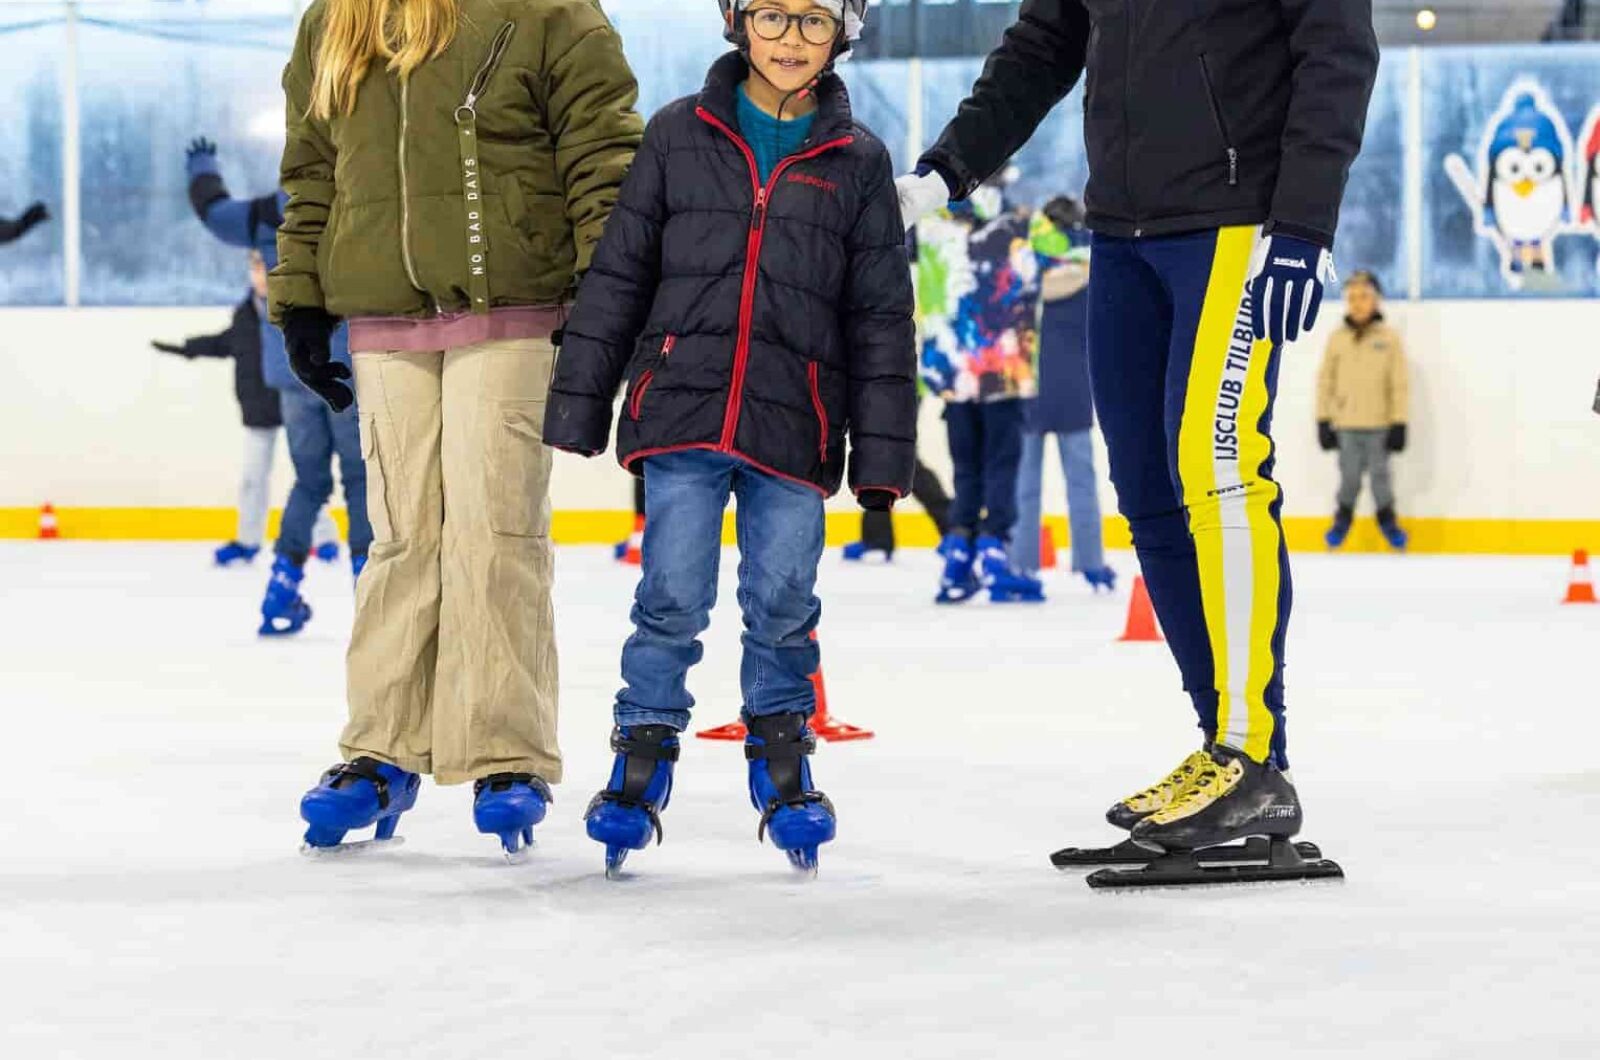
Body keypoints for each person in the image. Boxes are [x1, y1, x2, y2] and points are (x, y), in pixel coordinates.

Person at [896, 0, 1378, 876]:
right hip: (1123, 233)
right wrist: (943, 174)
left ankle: (1250, 749)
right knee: (1150, 492)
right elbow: (1042, 46)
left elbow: (1336, 50)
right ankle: (1221, 751)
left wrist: (1305, 221)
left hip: (1237, 225)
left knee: (1219, 466)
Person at [543, 0, 915, 877]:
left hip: (798, 418)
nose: (792, 40)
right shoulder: (679, 133)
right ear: (739, 23)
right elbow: (621, 270)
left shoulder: (857, 160)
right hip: (683, 409)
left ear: (843, 36)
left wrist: (884, 455)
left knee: (784, 602)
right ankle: (641, 753)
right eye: (775, 16)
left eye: (816, 21)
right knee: (671, 595)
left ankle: (783, 760)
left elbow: (881, 318)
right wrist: (579, 403)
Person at [275, 0, 642, 858]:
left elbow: (603, 155)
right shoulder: (336, 18)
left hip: (513, 307)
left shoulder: (551, 11)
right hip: (382, 316)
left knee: (494, 530)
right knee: (400, 538)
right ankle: (380, 750)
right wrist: (298, 297)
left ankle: (506, 751)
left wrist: (605, 295)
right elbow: (312, 167)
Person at [184, 139, 370, 633]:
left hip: (290, 375)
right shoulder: (355, 202)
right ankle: (367, 592)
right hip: (346, 371)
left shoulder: (270, 212)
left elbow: (213, 211)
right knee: (360, 482)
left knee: (309, 483)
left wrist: (202, 164)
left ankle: (281, 589)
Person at [150, 249, 340, 567]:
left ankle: (323, 538)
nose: (260, 274)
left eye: (265, 266)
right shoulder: (244, 314)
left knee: (307, 475)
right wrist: (188, 348)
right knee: (253, 478)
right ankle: (248, 540)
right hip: (259, 408)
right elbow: (226, 343)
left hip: (297, 403)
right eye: (255, 268)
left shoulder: (297, 307)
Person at [916, 172, 1046, 604]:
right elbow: (1072, 256)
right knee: (1001, 468)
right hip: (1001, 373)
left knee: (967, 469)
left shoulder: (932, 229)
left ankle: (957, 557)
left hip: (954, 374)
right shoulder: (1017, 228)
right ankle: (994, 554)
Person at [1012, 195, 1115, 590]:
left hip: (1030, 382)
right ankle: (1091, 563)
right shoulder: (1095, 269)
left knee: (1025, 481)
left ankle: (1021, 562)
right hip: (1074, 383)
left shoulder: (1028, 270)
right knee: (1082, 480)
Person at [1317, 270, 1409, 551]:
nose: (1358, 303)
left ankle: (1388, 522)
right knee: (1349, 477)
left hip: (1379, 423)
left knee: (1381, 477)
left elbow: (1399, 383)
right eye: (1352, 297)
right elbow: (1325, 380)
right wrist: (1323, 419)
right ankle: (1342, 521)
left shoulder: (1389, 339)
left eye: (1365, 297)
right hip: (1346, 423)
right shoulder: (1337, 338)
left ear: (1376, 300)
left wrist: (1399, 422)